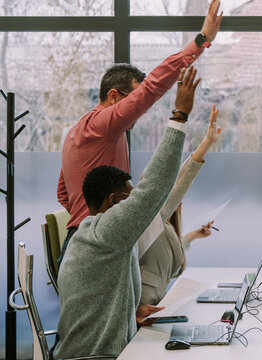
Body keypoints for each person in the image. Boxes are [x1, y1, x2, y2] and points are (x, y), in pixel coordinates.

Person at [53, 72, 220, 359]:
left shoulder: (97, 235)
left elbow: (63, 193)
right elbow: (155, 187)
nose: (137, 209)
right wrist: (179, 115)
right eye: (131, 201)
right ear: (114, 201)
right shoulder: (105, 233)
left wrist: (131, 315)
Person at [56, 0, 223, 268]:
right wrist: (200, 42)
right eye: (130, 101)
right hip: (97, 249)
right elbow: (151, 88)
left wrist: (86, 222)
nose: (139, 111)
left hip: (81, 245)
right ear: (113, 96)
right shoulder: (102, 125)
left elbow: (63, 194)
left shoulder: (77, 132)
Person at [139, 106, 222, 305]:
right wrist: (206, 143)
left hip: (157, 304)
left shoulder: (162, 225)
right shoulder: (148, 218)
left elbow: (166, 249)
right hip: (144, 308)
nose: (179, 201)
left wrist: (195, 235)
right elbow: (183, 180)